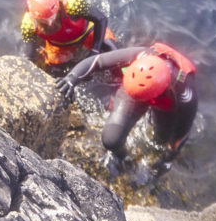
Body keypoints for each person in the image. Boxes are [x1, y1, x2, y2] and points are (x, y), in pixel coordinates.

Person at [56, 43, 197, 175]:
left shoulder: (184, 95)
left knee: (160, 140)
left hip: (165, 105)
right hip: (134, 89)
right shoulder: (141, 55)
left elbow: (182, 132)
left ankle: (155, 134)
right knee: (111, 140)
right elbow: (98, 61)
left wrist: (168, 158)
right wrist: (72, 78)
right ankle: (125, 159)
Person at [19, 0, 120, 72]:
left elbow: (101, 19)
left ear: (57, 6)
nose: (50, 22)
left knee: (112, 49)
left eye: (52, 16)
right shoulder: (28, 24)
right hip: (59, 45)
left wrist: (95, 50)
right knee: (54, 69)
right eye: (44, 20)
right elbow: (29, 56)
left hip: (87, 32)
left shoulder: (71, 3)